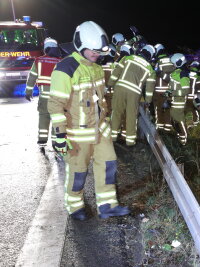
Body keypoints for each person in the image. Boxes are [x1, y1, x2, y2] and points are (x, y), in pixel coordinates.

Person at [48, 21, 130, 220]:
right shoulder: (65, 68)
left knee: (108, 165)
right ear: (81, 45)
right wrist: (60, 135)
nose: (97, 55)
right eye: (93, 51)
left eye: (99, 52)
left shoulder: (96, 68)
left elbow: (100, 99)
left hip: (100, 130)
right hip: (77, 134)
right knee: (78, 173)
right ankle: (75, 207)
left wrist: (106, 121)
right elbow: (55, 103)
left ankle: (108, 206)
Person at [108, 44, 156, 146]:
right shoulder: (150, 69)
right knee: (131, 116)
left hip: (120, 88)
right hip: (134, 93)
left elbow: (116, 72)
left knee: (116, 112)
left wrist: (110, 84)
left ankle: (112, 137)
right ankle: (130, 142)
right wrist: (148, 101)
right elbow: (149, 88)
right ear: (150, 55)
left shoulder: (127, 58)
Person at [25, 37, 62, 151]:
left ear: (46, 48)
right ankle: (56, 142)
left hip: (44, 97)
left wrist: (28, 91)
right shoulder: (61, 61)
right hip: (58, 97)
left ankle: (42, 140)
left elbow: (32, 76)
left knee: (43, 117)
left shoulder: (39, 60)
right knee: (56, 119)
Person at [166, 53, 190, 145]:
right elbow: (174, 85)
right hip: (174, 100)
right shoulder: (177, 72)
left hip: (179, 101)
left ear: (179, 62)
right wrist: (168, 92)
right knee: (174, 120)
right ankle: (180, 136)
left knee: (179, 120)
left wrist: (172, 93)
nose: (173, 65)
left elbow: (186, 90)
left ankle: (184, 140)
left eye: (174, 63)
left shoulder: (183, 74)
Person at [152, 43, 175, 132]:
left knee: (158, 109)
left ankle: (160, 129)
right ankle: (168, 129)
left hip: (159, 90)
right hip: (169, 90)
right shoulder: (171, 61)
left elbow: (154, 75)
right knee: (168, 110)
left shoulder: (158, 62)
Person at [185, 61, 200, 127]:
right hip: (193, 97)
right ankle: (194, 124)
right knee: (194, 110)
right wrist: (198, 102)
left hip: (184, 95)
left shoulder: (186, 74)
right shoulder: (198, 77)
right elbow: (199, 90)